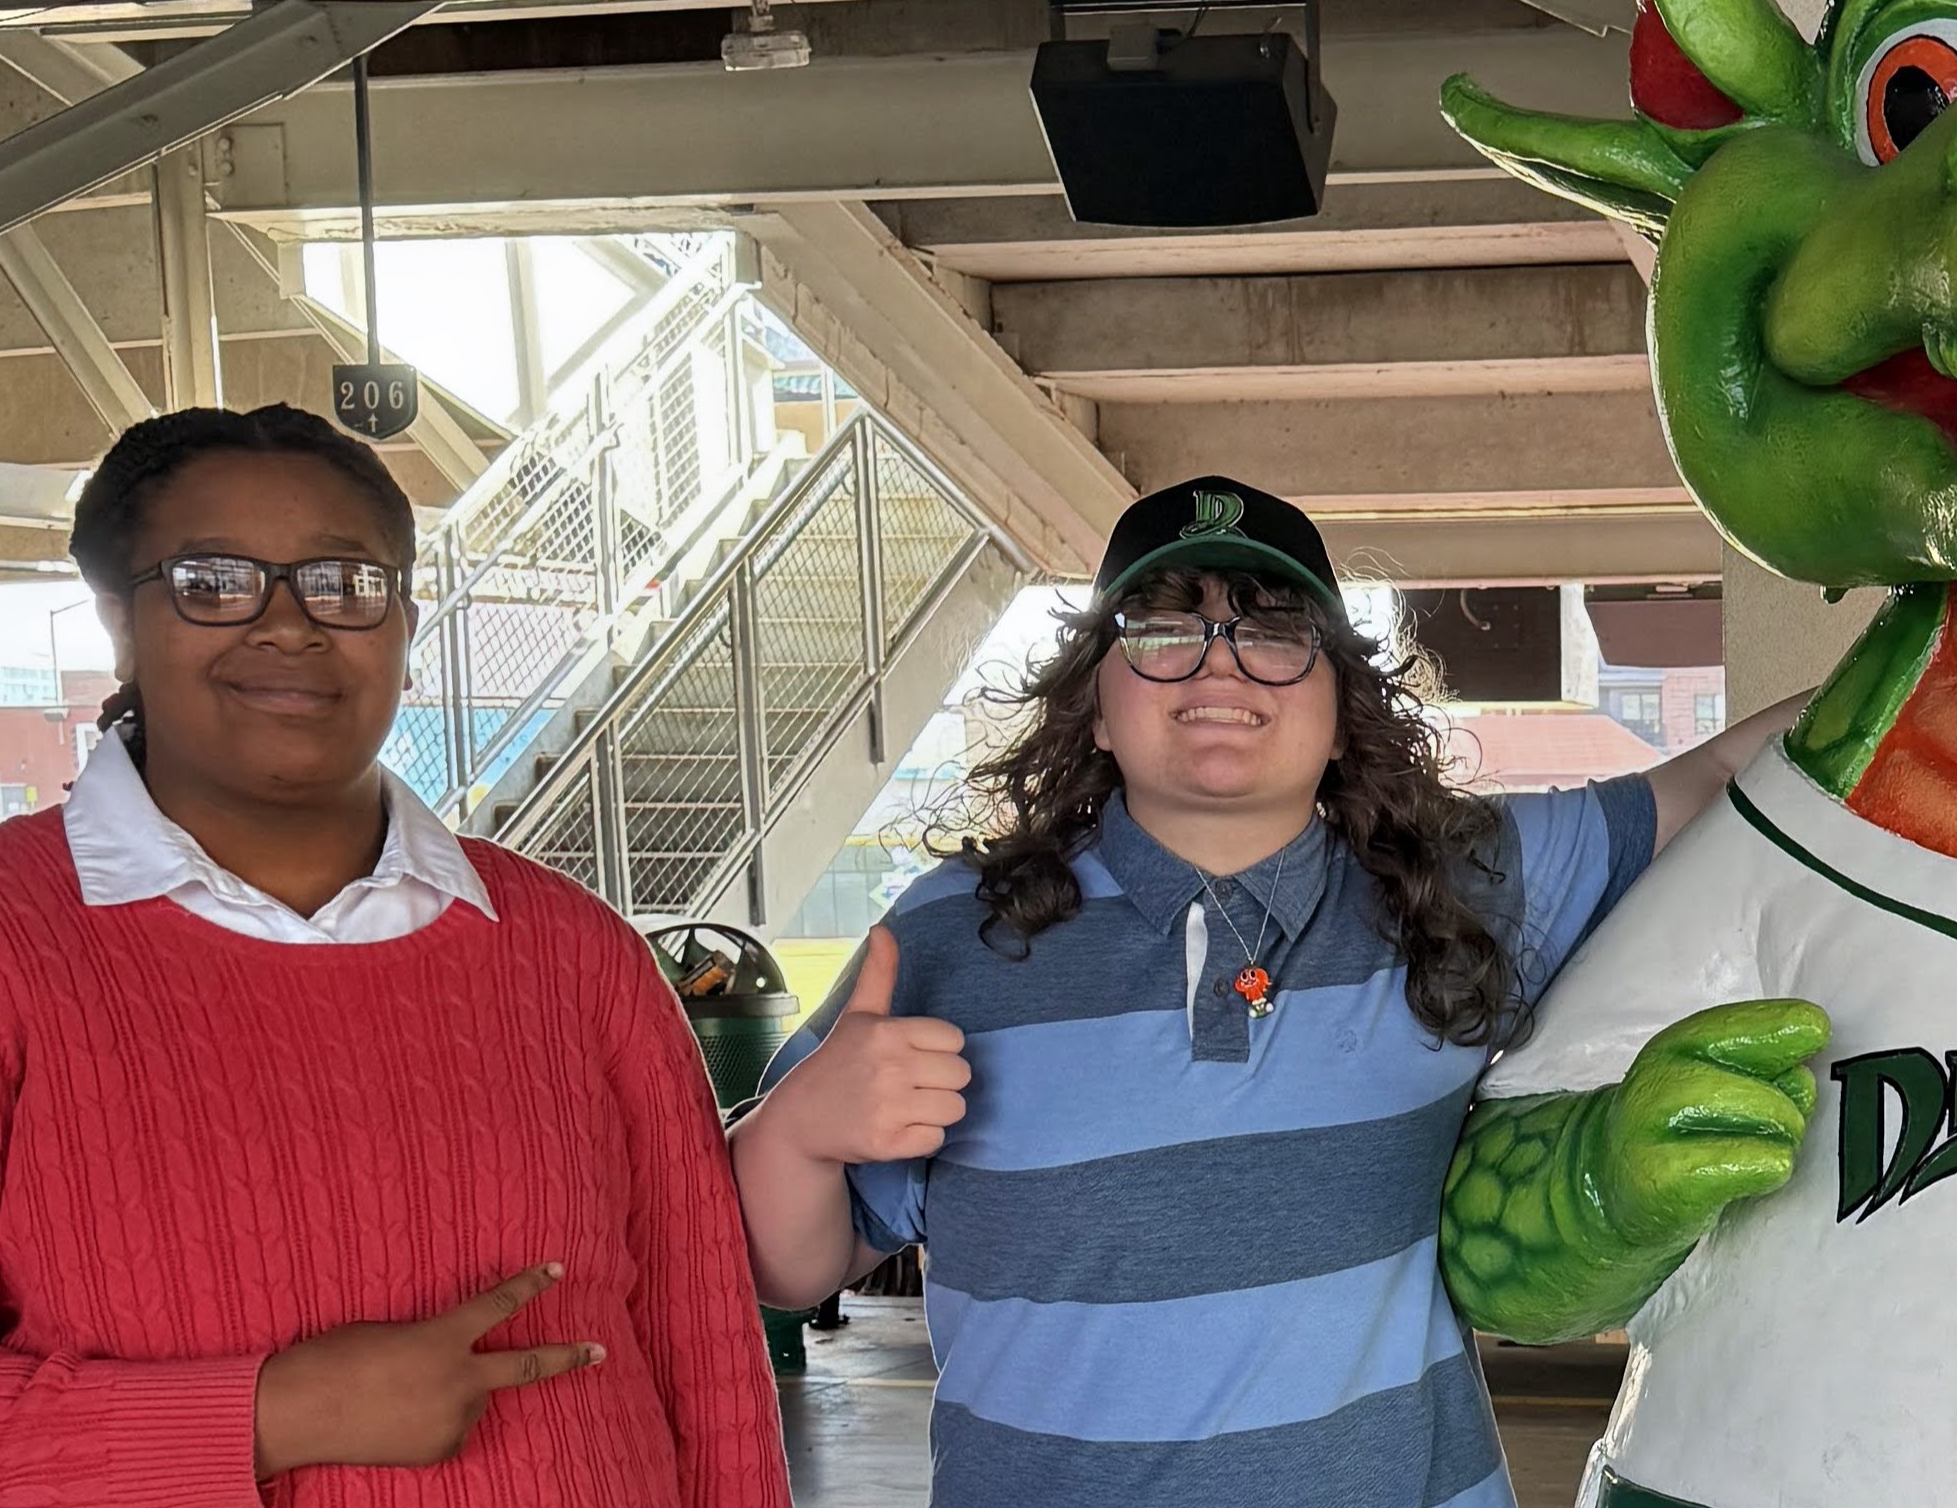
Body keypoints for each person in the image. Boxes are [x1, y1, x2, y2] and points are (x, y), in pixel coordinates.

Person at [0, 406, 791, 1508]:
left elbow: (706, 1356)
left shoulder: (575, 956)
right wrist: (270, 1417)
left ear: (404, 622)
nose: (289, 627)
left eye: (344, 583)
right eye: (211, 581)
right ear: (118, 623)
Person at [728, 475, 1798, 1508]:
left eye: (1274, 632)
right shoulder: (952, 935)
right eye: (1161, 630)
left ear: (1341, 710)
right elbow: (794, 1265)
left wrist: (1951, 623)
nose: (1219, 667)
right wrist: (802, 1132)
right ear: (1093, 705)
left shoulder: (1453, 889)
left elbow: (1722, 779)